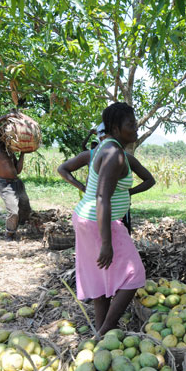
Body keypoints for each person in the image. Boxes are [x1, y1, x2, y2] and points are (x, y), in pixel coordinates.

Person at [71, 103, 147, 333]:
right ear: (115, 128)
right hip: (99, 222)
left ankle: (99, 330)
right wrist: (106, 244)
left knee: (99, 275)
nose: (136, 129)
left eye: (136, 123)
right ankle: (107, 329)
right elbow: (102, 198)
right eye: (130, 125)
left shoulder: (109, 148)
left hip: (88, 219)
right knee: (135, 275)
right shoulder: (114, 154)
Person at [58, 123, 153, 233]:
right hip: (94, 215)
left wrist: (129, 192)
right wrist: (83, 188)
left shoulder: (126, 158)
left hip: (117, 215)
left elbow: (150, 180)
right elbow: (62, 169)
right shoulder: (89, 155)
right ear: (101, 138)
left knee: (119, 242)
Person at [0, 112, 32, 240]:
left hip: (17, 182)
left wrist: (22, 153)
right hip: (5, 184)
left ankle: (22, 228)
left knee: (25, 208)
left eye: (2, 131)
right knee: (13, 211)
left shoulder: (8, 149)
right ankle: (9, 233)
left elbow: (18, 170)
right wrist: (7, 116)